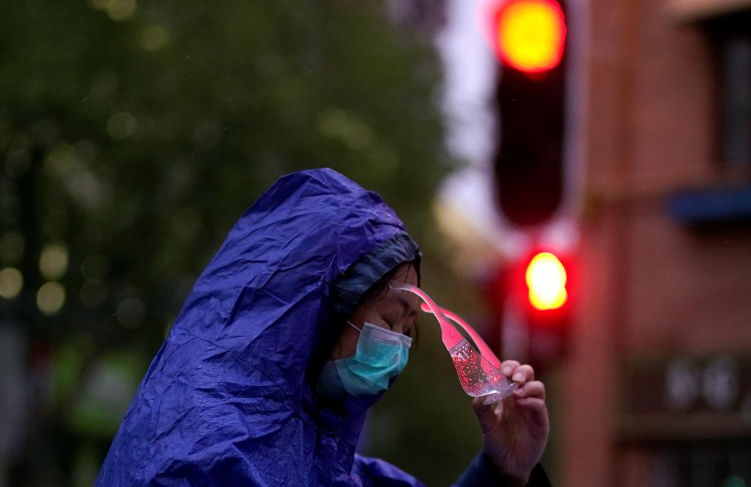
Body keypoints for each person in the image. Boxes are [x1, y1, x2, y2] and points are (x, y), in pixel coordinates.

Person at [95, 169, 552, 487]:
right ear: (318, 307)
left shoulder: (321, 454)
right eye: (390, 321)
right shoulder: (207, 456)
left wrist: (503, 472)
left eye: (408, 331)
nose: (398, 350)